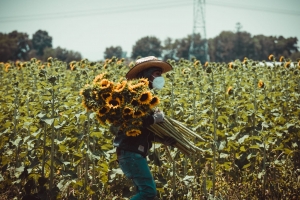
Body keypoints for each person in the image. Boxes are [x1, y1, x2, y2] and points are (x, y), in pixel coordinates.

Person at [112, 56, 176, 200]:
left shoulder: (145, 97)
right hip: (130, 152)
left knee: (144, 193)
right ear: (146, 75)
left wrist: (163, 139)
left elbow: (143, 131)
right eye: (157, 74)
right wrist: (154, 119)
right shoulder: (135, 97)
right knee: (148, 192)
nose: (160, 78)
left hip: (132, 152)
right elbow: (135, 120)